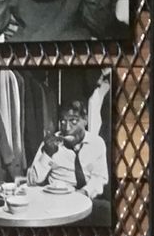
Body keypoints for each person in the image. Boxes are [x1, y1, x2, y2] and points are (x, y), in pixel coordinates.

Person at [27, 69, 111, 204]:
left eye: (73, 121)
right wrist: (47, 154)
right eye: (63, 121)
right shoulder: (51, 143)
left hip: (86, 198)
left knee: (105, 208)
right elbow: (32, 181)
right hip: (56, 200)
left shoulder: (97, 143)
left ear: (85, 120)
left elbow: (99, 178)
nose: (66, 128)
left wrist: (84, 193)